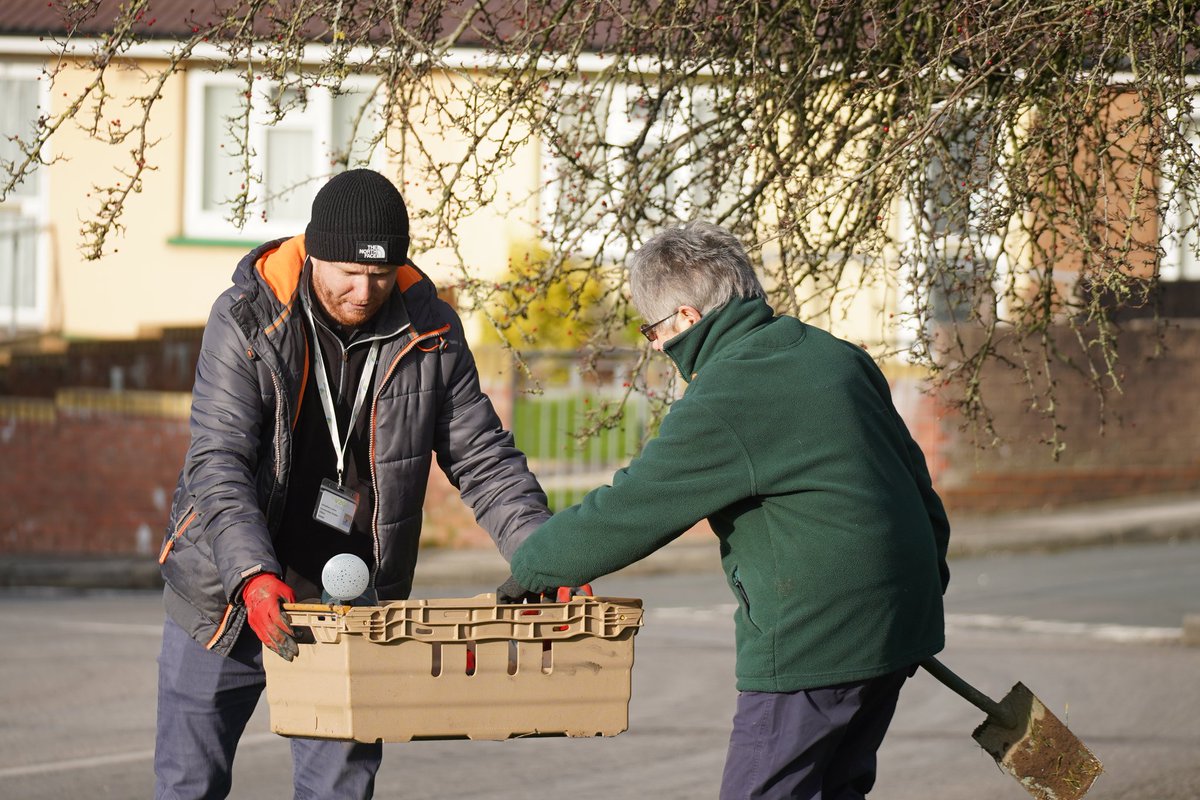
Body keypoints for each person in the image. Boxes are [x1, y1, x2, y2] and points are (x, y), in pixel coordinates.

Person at [508, 221, 951, 800]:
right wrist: (923, 591)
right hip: (901, 626)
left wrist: (535, 564)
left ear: (688, 320)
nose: (656, 346)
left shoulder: (729, 394)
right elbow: (919, 487)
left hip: (815, 644)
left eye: (653, 330)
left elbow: (634, 507)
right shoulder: (838, 356)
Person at [154, 169, 551, 799]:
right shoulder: (247, 317)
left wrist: (551, 556)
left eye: (380, 274)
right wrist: (252, 577)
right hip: (224, 596)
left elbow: (484, 460)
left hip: (350, 612)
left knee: (340, 793)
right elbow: (219, 461)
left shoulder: (433, 334)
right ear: (313, 251)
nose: (363, 291)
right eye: (346, 271)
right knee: (187, 786)